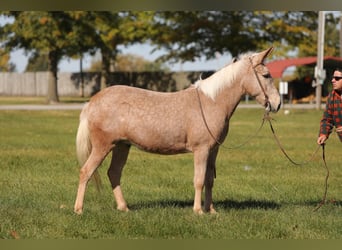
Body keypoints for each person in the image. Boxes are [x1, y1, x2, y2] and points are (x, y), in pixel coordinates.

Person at [317, 68, 342, 145]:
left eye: (337, 78)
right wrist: (323, 134)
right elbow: (327, 119)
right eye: (333, 78)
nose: (333, 80)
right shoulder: (332, 96)